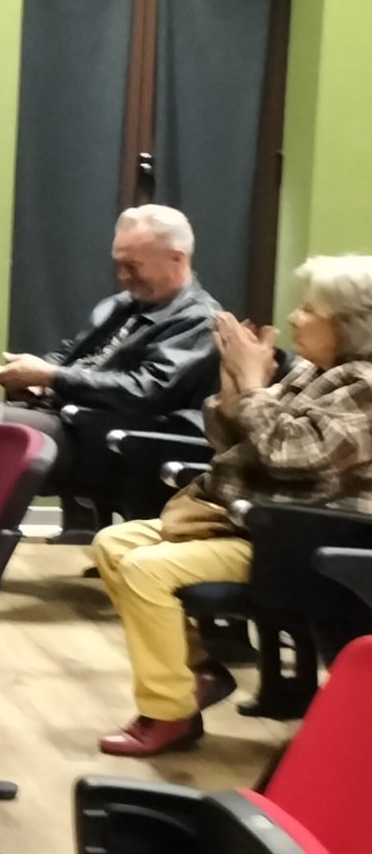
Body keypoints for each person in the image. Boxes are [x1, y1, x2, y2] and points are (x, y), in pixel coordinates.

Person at [88, 255, 372, 757]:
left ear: (351, 324)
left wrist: (256, 385)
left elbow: (288, 454)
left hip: (299, 540)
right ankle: (198, 674)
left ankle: (167, 713)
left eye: (310, 309)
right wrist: (232, 385)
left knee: (145, 571)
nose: (294, 318)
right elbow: (233, 442)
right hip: (246, 524)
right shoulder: (315, 372)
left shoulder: (364, 387)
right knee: (114, 543)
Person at [0, 206, 220, 523]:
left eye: (133, 266)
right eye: (119, 264)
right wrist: (36, 375)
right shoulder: (120, 305)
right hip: (71, 418)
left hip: (123, 440)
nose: (122, 276)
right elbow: (70, 354)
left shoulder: (200, 321)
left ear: (176, 258)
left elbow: (144, 391)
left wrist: (53, 377)